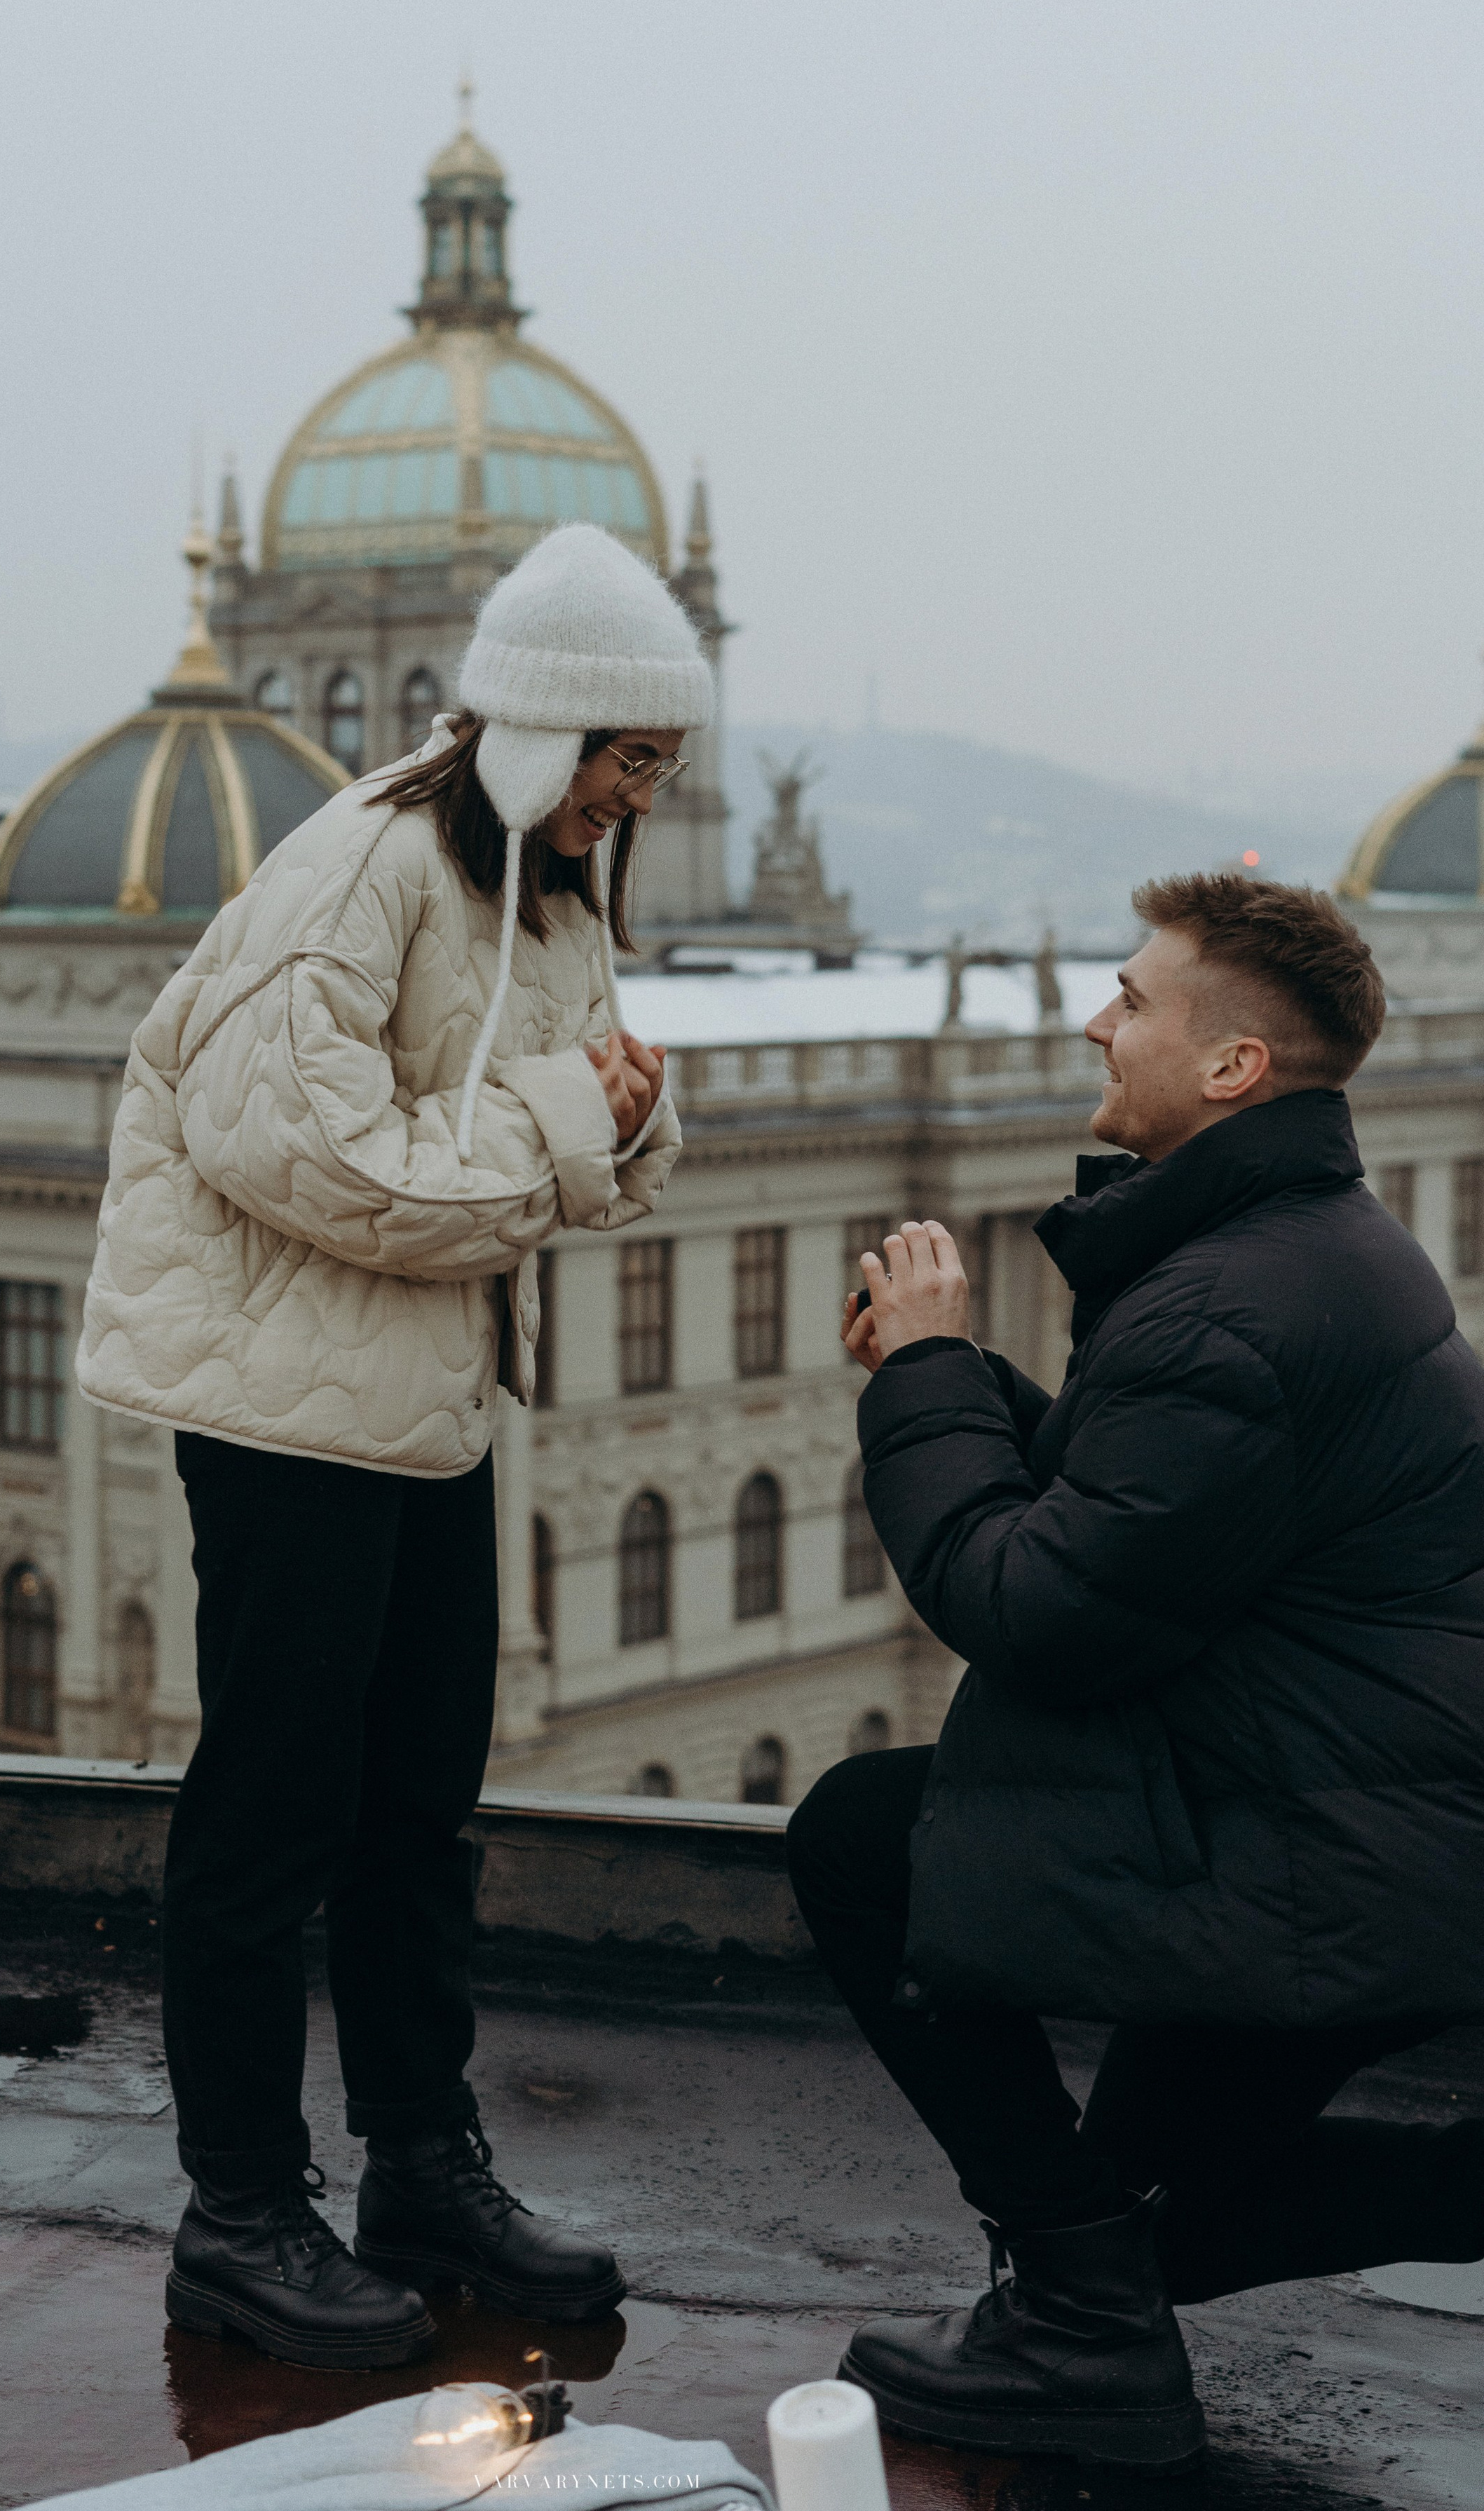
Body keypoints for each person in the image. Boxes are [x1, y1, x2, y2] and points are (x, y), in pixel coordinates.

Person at [78, 522, 712, 2369]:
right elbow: (321, 1162)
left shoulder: (545, 895)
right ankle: (241, 2214)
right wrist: (555, 1123)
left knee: (422, 1806)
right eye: (620, 760)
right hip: (290, 1414)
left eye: (657, 771)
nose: (632, 798)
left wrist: (631, 1113)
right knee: (270, 1814)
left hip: (426, 1409)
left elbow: (573, 1158)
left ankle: (422, 2169)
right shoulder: (357, 866)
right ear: (533, 729)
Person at [789, 873, 1484, 2475]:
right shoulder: (1304, 1245)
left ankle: (1083, 2336)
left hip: (1326, 1839)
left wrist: (920, 1384)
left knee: (857, 1840)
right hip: (1370, 1807)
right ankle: (1093, 2303)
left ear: (1232, 1067)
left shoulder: (1218, 1304)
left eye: (1130, 998)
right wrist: (962, 1375)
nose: (1093, 1018)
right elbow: (1162, 1519)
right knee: (1142, 2223)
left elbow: (1033, 1608)